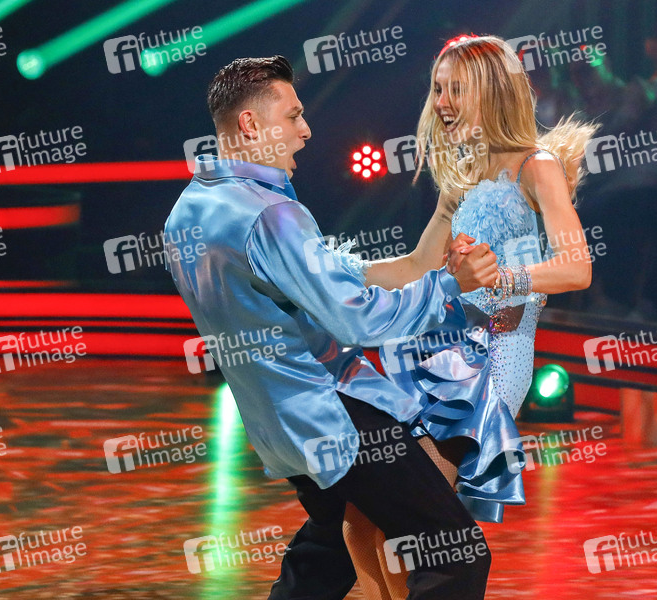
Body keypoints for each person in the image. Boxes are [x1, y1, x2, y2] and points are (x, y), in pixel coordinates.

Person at [163, 55, 499, 599]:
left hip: (278, 426)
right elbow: (357, 318)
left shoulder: (189, 211)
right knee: (454, 551)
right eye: (293, 116)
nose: (306, 130)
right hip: (335, 415)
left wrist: (442, 224)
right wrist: (449, 288)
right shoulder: (269, 214)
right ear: (250, 124)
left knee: (327, 551)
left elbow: (346, 280)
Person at [337, 35, 595, 599]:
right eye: (438, 89)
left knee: (409, 518)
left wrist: (501, 279)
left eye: (456, 89)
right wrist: (331, 272)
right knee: (359, 520)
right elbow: (415, 266)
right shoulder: (461, 176)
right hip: (437, 355)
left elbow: (577, 268)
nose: (443, 103)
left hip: (493, 362)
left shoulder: (536, 167)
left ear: (493, 93)